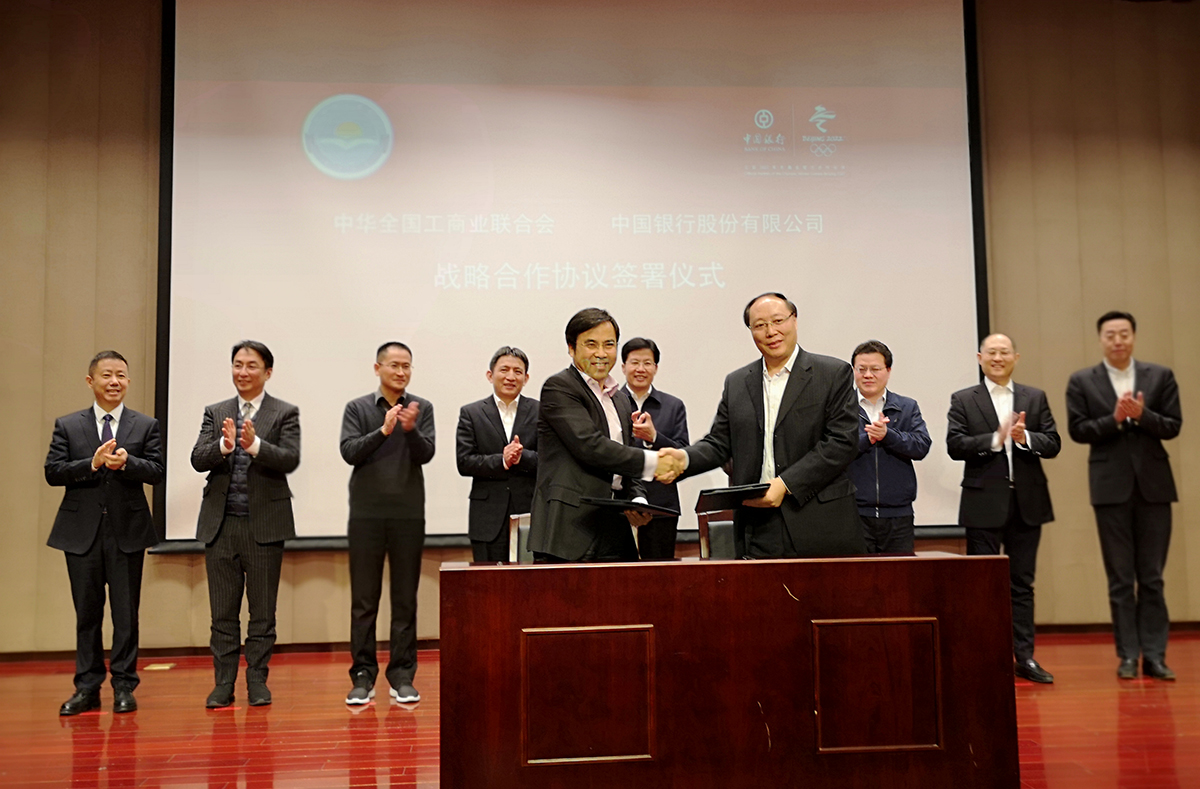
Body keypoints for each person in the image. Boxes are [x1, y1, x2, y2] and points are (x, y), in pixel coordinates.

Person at [658, 292, 865, 558]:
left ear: (794, 320)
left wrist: (785, 484)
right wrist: (684, 459)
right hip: (756, 523)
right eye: (760, 325)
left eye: (778, 321)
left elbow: (841, 443)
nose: (771, 332)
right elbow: (719, 443)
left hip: (819, 521)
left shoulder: (833, 373)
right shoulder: (737, 382)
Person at [44, 351, 164, 716]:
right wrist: (92, 463)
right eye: (107, 375)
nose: (115, 381)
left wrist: (128, 463)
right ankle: (87, 687)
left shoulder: (145, 425)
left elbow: (156, 471)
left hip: (127, 532)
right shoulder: (68, 425)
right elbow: (53, 472)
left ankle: (124, 686)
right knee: (87, 614)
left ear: (128, 381)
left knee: (126, 615)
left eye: (121, 375)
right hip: (81, 533)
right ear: (90, 381)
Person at [1066, 311, 1182, 681]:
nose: (1118, 340)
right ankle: (1128, 656)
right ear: (1101, 339)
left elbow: (1173, 425)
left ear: (1133, 337)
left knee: (1152, 577)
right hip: (1109, 489)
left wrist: (1142, 415)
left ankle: (1155, 656)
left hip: (1154, 488)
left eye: (1124, 333)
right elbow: (1078, 430)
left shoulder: (1160, 376)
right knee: (1120, 579)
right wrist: (1114, 418)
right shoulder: (1082, 381)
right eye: (1110, 334)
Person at [191, 341, 300, 708]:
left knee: (262, 613)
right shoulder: (216, 412)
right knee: (222, 613)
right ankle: (223, 683)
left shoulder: (284, 413)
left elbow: (289, 459)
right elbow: (197, 458)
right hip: (221, 526)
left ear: (267, 372)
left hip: (264, 527)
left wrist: (255, 447)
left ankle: (257, 680)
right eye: (237, 364)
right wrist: (223, 447)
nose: (243, 372)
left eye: (251, 365)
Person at [947, 333, 1060, 684]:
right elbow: (955, 445)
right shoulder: (964, 399)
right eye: (991, 352)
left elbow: (1053, 443)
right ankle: (985, 657)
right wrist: (995, 440)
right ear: (979, 357)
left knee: (1022, 583)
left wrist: (1025, 439)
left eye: (1004, 352)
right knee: (983, 585)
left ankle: (1024, 658)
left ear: (1016, 357)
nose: (998, 357)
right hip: (983, 503)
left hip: (1027, 502)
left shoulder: (1034, 397)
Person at [528, 308, 668, 562]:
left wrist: (637, 498)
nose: (601, 353)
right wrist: (653, 462)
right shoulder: (559, 387)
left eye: (609, 344)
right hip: (569, 529)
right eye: (591, 344)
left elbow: (628, 455)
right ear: (571, 348)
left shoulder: (620, 399)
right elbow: (590, 446)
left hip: (615, 526)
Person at [340, 342, 435, 705]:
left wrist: (409, 429)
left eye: (406, 366)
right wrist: (383, 430)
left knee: (405, 599)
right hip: (366, 515)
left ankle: (402, 675)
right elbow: (349, 452)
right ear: (377, 367)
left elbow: (426, 454)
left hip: (408, 514)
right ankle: (363, 675)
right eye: (394, 365)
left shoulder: (421, 407)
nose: (401, 372)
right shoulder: (358, 408)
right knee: (364, 600)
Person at [845, 340, 931, 554]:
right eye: (861, 369)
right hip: (853, 512)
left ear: (888, 371)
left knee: (899, 573)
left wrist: (888, 436)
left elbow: (921, 445)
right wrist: (868, 439)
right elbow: (833, 449)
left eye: (875, 369)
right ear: (853, 371)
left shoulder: (906, 407)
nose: (868, 375)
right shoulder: (841, 407)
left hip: (898, 515)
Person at [456, 347, 539, 563]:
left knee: (530, 580)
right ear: (490, 375)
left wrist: (522, 457)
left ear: (526, 378)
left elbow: (551, 460)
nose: (511, 376)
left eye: (517, 371)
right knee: (488, 580)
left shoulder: (541, 412)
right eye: (504, 370)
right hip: (487, 517)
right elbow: (464, 462)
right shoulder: (471, 413)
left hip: (530, 514)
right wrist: (502, 460)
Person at [619, 337, 689, 560]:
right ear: (623, 367)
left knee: (658, 574)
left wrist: (655, 438)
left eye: (647, 363)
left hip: (661, 504)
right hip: (619, 504)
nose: (640, 369)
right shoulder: (610, 402)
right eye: (634, 362)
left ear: (656, 368)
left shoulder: (673, 405)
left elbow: (683, 455)